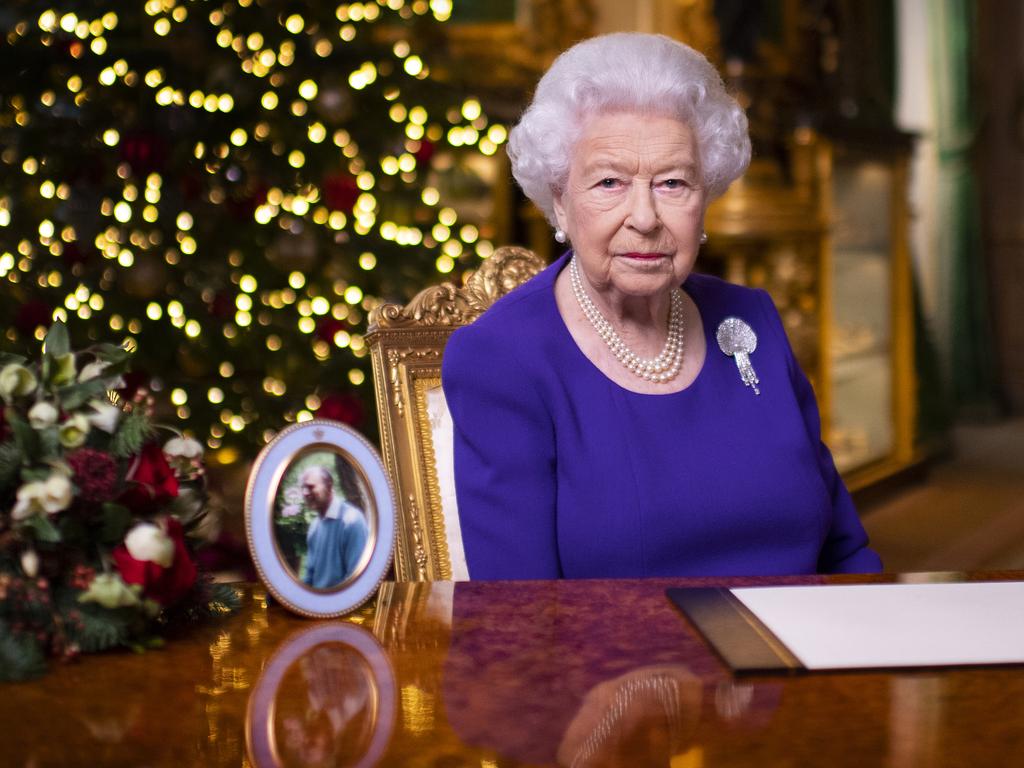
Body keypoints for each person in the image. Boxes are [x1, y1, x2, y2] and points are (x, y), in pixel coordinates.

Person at [441, 33, 882, 580]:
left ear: (706, 198)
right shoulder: (502, 358)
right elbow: (521, 622)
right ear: (560, 199)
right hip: (623, 666)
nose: (645, 217)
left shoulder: (752, 320)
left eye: (673, 183)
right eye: (610, 182)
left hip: (802, 654)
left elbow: (846, 552)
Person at [300, 466, 369, 588]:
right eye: (303, 488)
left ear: (329, 486)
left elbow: (357, 580)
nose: (305, 493)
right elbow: (309, 577)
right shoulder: (314, 527)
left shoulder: (351, 521)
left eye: (311, 487)